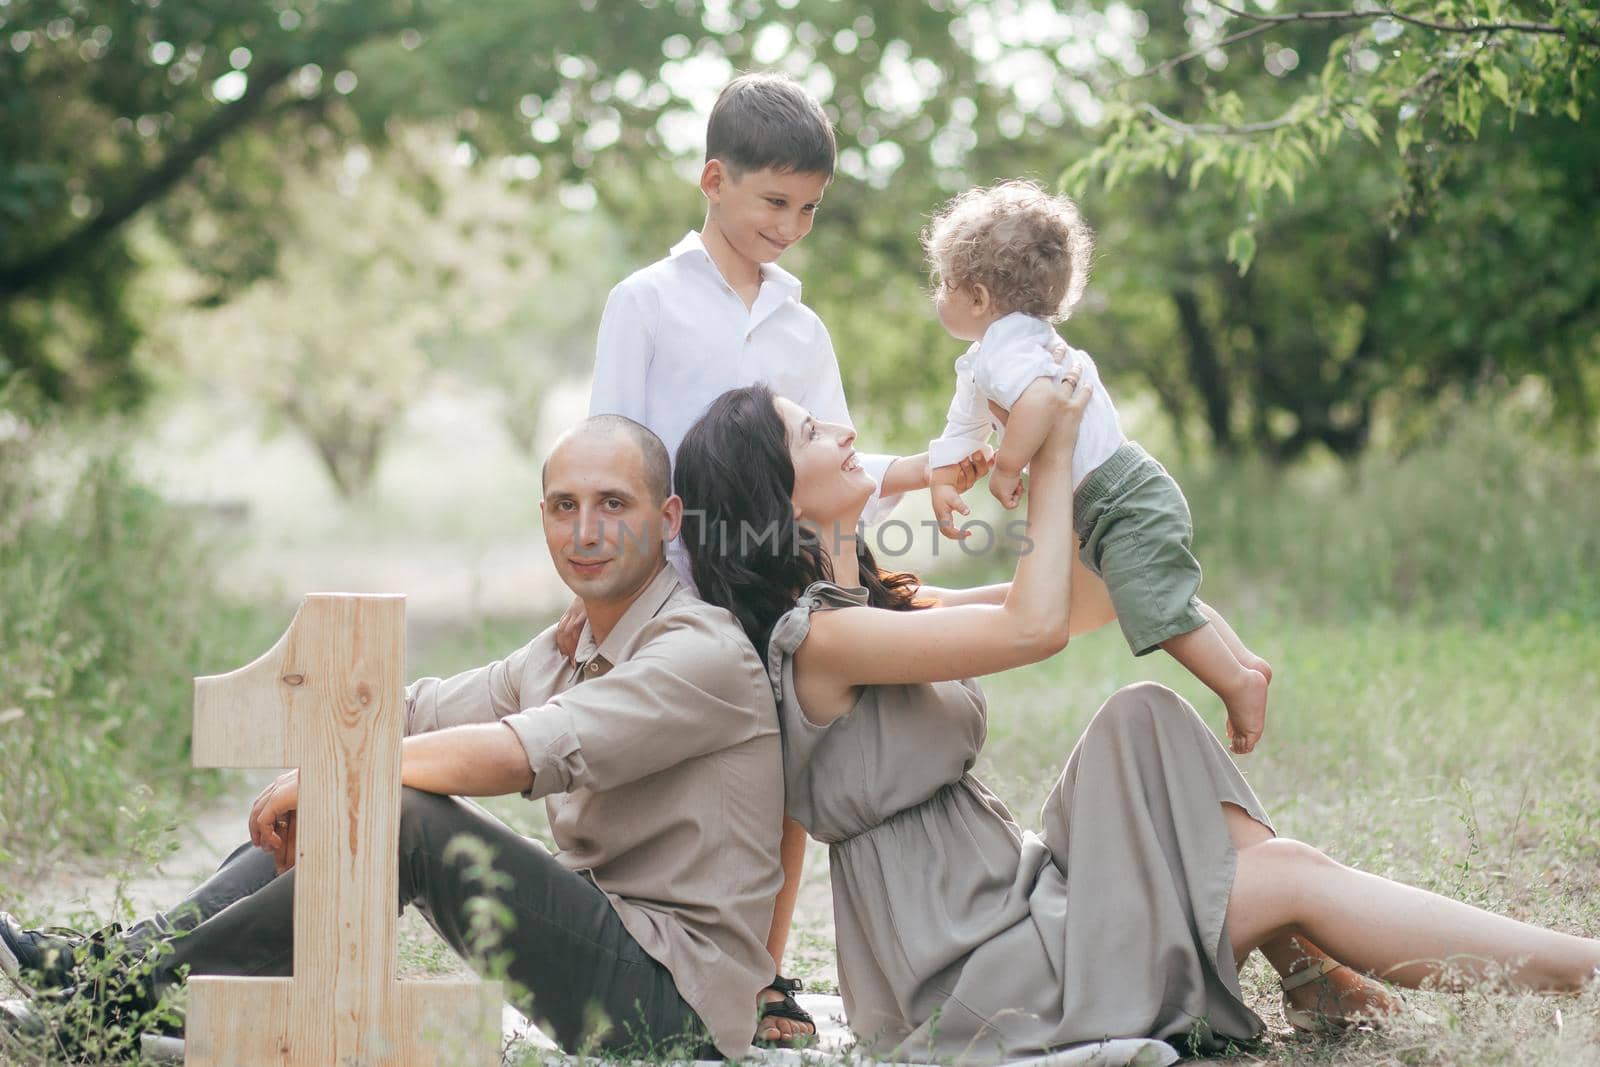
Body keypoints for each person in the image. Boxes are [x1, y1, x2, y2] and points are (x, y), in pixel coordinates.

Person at [671, 380, 1600, 1062]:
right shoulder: (820, 638)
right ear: (774, 493)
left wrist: (1064, 445)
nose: (845, 429)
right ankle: (1581, 968)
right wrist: (1057, 452)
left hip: (1008, 898)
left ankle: (1311, 972)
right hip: (969, 970)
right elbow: (1033, 632)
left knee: (1144, 714)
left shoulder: (879, 604)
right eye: (810, 430)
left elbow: (1085, 601)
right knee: (1289, 875)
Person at [1, 415, 788, 1060]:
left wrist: (337, 777)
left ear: (668, 518)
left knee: (405, 814)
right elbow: (414, 712)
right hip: (604, 946)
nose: (587, 529)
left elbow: (517, 751)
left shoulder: (699, 651)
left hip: (678, 1010)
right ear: (543, 517)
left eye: (614, 504)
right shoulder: (564, 649)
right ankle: (113, 966)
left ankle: (107, 1011)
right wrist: (324, 742)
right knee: (365, 781)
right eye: (563, 505)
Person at [576, 70, 985, 1041]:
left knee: (779, 788)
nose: (790, 223)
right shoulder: (644, 302)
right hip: (674, 584)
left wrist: (932, 468)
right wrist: (603, 580)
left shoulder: (802, 325)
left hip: (776, 581)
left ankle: (763, 974)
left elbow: (837, 453)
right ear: (712, 179)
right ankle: (656, 958)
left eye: (808, 207)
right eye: (773, 201)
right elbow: (609, 446)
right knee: (683, 793)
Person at [923, 179, 1271, 755]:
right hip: (1120, 490)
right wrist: (941, 474)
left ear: (979, 298)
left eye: (944, 284)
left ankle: (1235, 683)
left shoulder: (1010, 348)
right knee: (1156, 586)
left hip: (1120, 496)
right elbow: (965, 425)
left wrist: (1008, 468)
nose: (937, 294)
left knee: (1150, 603)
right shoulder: (992, 354)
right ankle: (1244, 662)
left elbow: (1037, 402)